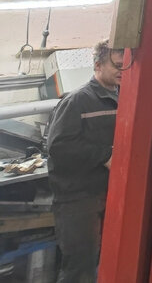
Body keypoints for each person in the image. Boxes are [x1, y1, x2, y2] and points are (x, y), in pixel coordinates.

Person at [45, 39, 122, 283]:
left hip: (109, 194)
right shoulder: (77, 101)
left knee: (109, 262)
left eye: (126, 66)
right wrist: (105, 155)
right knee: (80, 268)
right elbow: (58, 147)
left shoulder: (125, 98)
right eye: (117, 65)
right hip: (78, 200)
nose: (122, 71)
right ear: (98, 65)